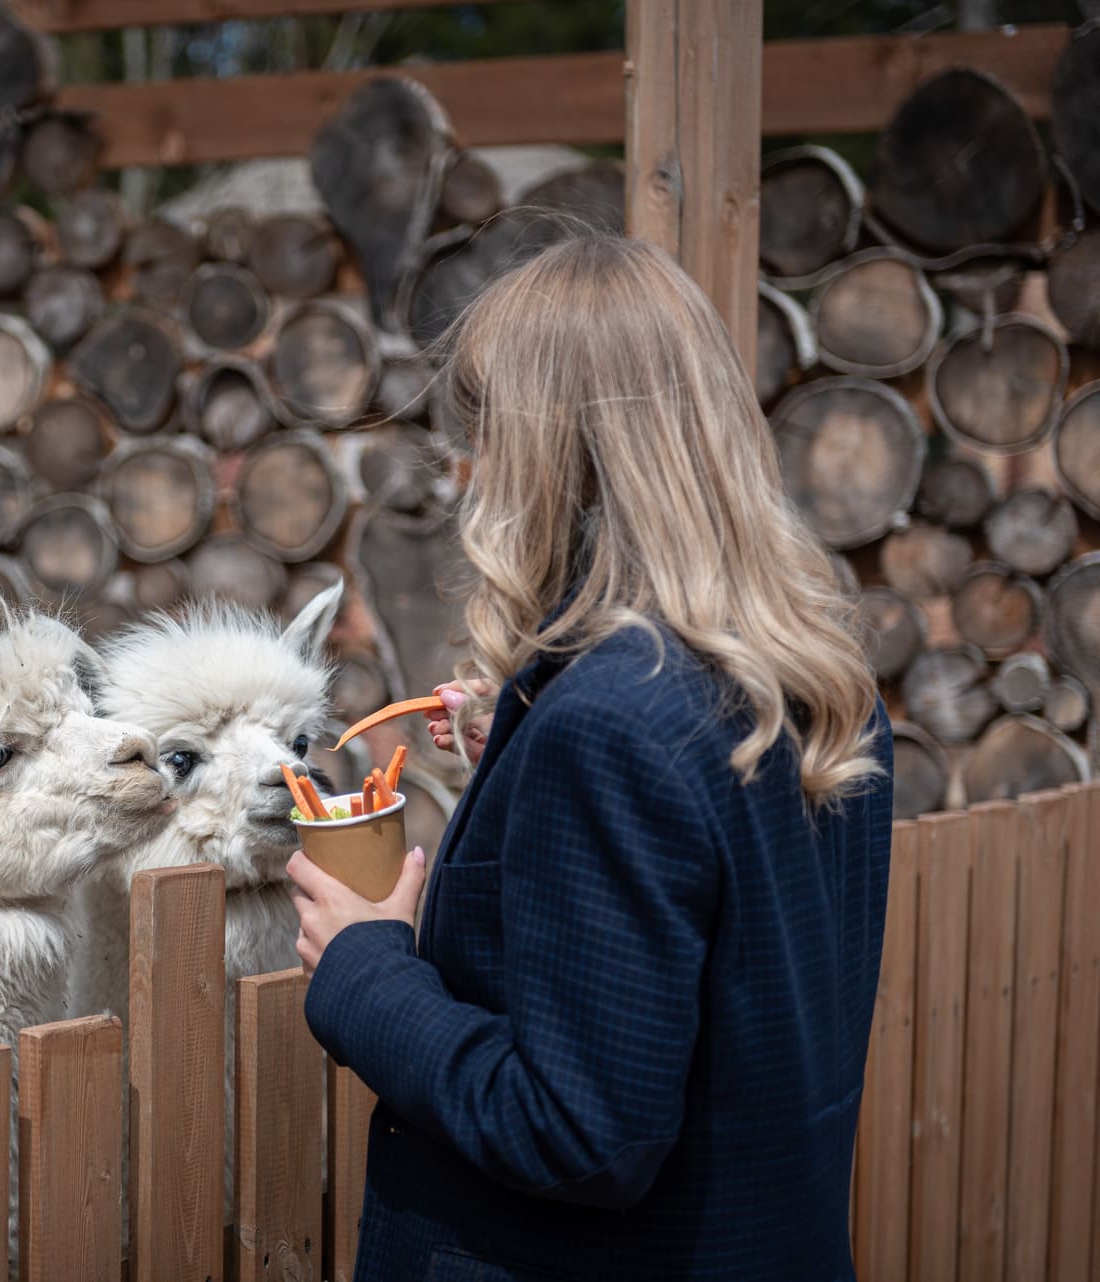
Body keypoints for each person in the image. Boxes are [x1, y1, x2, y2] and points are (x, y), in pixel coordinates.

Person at [289, 231, 892, 1281]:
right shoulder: (813, 677)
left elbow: (579, 1132)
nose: (467, 468)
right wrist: (525, 748)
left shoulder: (611, 726)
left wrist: (364, 965)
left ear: (547, 450)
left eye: (484, 433)